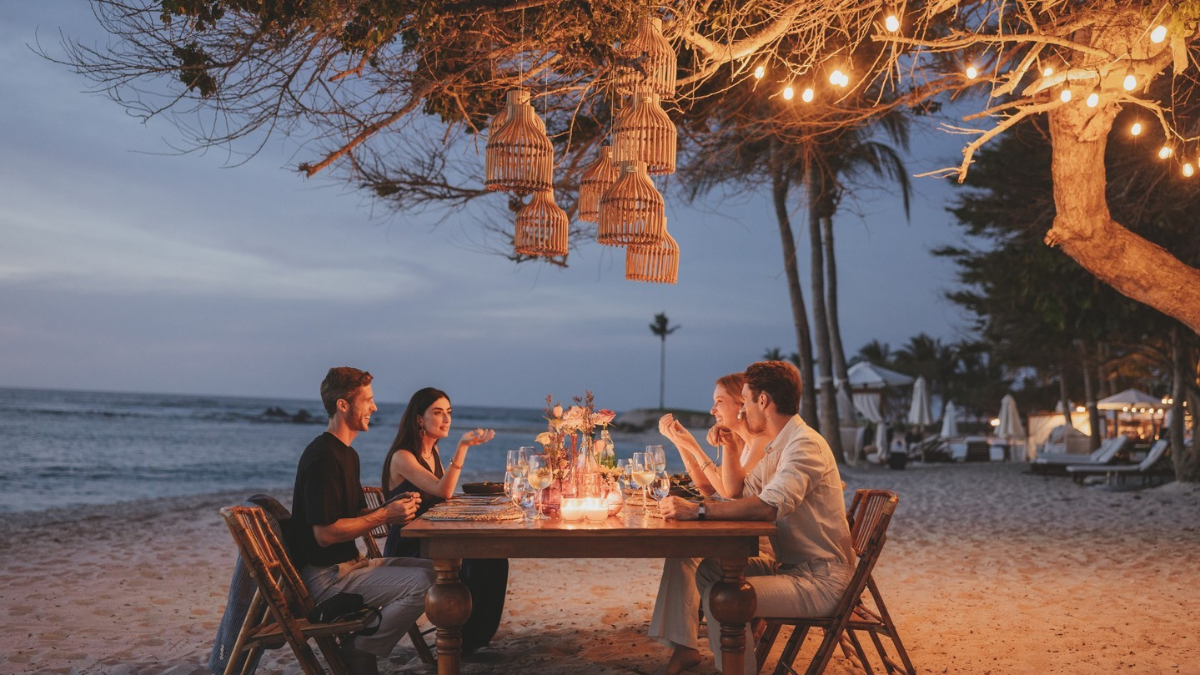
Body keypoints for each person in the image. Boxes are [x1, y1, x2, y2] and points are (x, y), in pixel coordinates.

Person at [655, 360, 854, 675]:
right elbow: (739, 492)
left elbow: (767, 507)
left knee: (727, 597)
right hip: (790, 566)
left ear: (763, 401)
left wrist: (698, 511)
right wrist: (730, 447)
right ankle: (736, 666)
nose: (743, 412)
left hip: (821, 580)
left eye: (746, 403)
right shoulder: (780, 447)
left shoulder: (805, 446)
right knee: (709, 571)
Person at [285, 367, 435, 675]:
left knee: (441, 572)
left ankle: (364, 644)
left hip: (351, 567)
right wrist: (384, 515)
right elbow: (325, 534)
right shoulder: (323, 456)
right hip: (328, 581)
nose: (374, 407)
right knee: (425, 584)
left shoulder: (347, 454)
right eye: (367, 400)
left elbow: (352, 516)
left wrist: (391, 507)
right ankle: (359, 648)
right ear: (343, 405)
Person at [381, 386, 507, 653]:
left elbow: (442, 499)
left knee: (496, 557)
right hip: (409, 546)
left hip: (432, 540)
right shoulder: (403, 456)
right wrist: (462, 447)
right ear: (419, 419)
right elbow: (443, 491)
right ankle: (464, 641)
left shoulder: (432, 454)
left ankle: (472, 638)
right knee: (480, 562)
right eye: (437, 412)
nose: (446, 419)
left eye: (448, 412)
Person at [657, 372, 768, 498]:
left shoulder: (762, 443)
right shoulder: (743, 443)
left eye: (719, 401)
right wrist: (679, 442)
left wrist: (693, 447)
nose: (712, 410)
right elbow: (706, 485)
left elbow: (730, 493)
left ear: (742, 404)